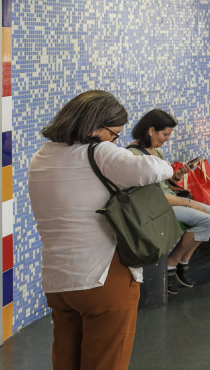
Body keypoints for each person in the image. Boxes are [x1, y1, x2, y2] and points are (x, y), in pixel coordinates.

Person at [30, 91, 174, 370]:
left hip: (58, 280)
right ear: (95, 127)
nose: (114, 140)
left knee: (65, 361)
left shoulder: (42, 156)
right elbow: (154, 167)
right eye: (114, 133)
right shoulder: (99, 151)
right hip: (103, 276)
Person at [128, 109, 210, 294]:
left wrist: (178, 175)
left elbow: (165, 185)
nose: (168, 139)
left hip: (167, 200)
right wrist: (190, 203)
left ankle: (182, 261)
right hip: (155, 206)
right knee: (206, 219)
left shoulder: (155, 152)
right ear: (151, 130)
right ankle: (171, 264)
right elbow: (154, 196)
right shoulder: (136, 156)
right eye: (165, 134)